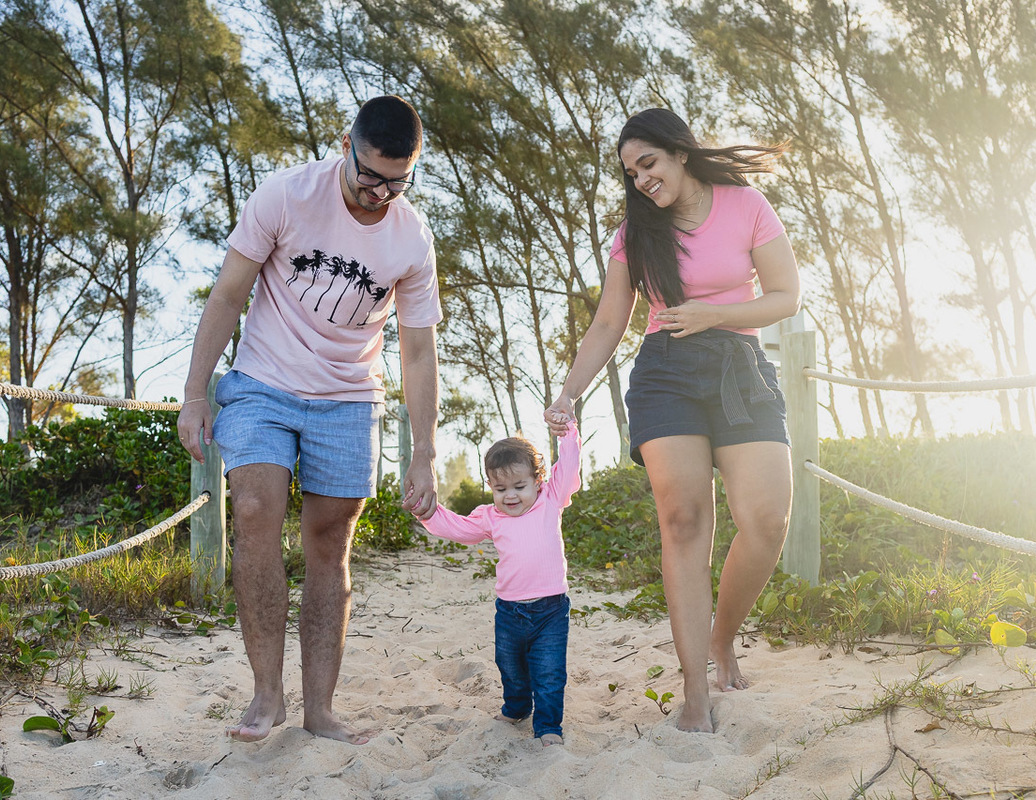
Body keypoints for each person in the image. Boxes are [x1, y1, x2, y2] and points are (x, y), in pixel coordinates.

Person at [176, 96, 441, 745]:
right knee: (257, 509)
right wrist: (194, 394)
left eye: (395, 181)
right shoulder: (286, 195)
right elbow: (229, 293)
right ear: (345, 145)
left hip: (351, 399)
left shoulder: (411, 237)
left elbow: (418, 349)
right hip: (264, 383)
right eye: (369, 174)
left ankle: (320, 710)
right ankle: (267, 695)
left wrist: (425, 450)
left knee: (329, 543)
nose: (379, 192)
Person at [545, 108, 800, 734]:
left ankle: (721, 639)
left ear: (681, 152)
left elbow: (786, 296)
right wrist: (569, 392)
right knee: (684, 518)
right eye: (631, 174)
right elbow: (610, 321)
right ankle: (693, 688)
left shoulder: (745, 205)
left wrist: (714, 315)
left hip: (740, 368)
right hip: (665, 373)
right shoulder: (636, 234)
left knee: (767, 520)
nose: (642, 181)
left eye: (649, 164)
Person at [413, 422, 581, 747]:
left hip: (550, 610)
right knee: (511, 668)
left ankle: (548, 726)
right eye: (501, 489)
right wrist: (428, 513)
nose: (511, 496)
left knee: (548, 672)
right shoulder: (490, 516)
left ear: (538, 481)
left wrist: (567, 433)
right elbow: (458, 528)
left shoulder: (551, 499)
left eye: (519, 486)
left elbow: (570, 467)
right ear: (490, 486)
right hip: (509, 613)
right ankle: (517, 708)